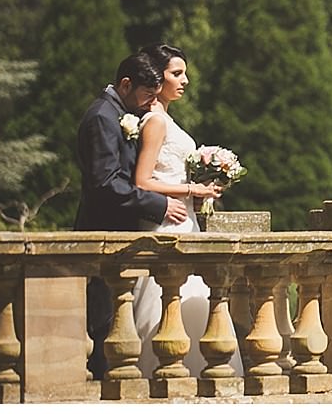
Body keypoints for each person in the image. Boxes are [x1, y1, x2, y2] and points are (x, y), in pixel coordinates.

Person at [74, 50, 188, 379]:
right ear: (126, 84)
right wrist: (159, 205)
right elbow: (106, 184)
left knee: (116, 318)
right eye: (146, 95)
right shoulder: (102, 117)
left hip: (122, 230)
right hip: (103, 230)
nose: (148, 104)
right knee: (103, 321)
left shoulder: (118, 113)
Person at [128, 43, 238, 378]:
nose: (185, 80)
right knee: (169, 301)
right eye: (177, 73)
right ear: (158, 79)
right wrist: (193, 189)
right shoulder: (155, 123)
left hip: (185, 220)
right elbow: (142, 181)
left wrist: (207, 182)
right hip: (167, 224)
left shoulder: (167, 120)